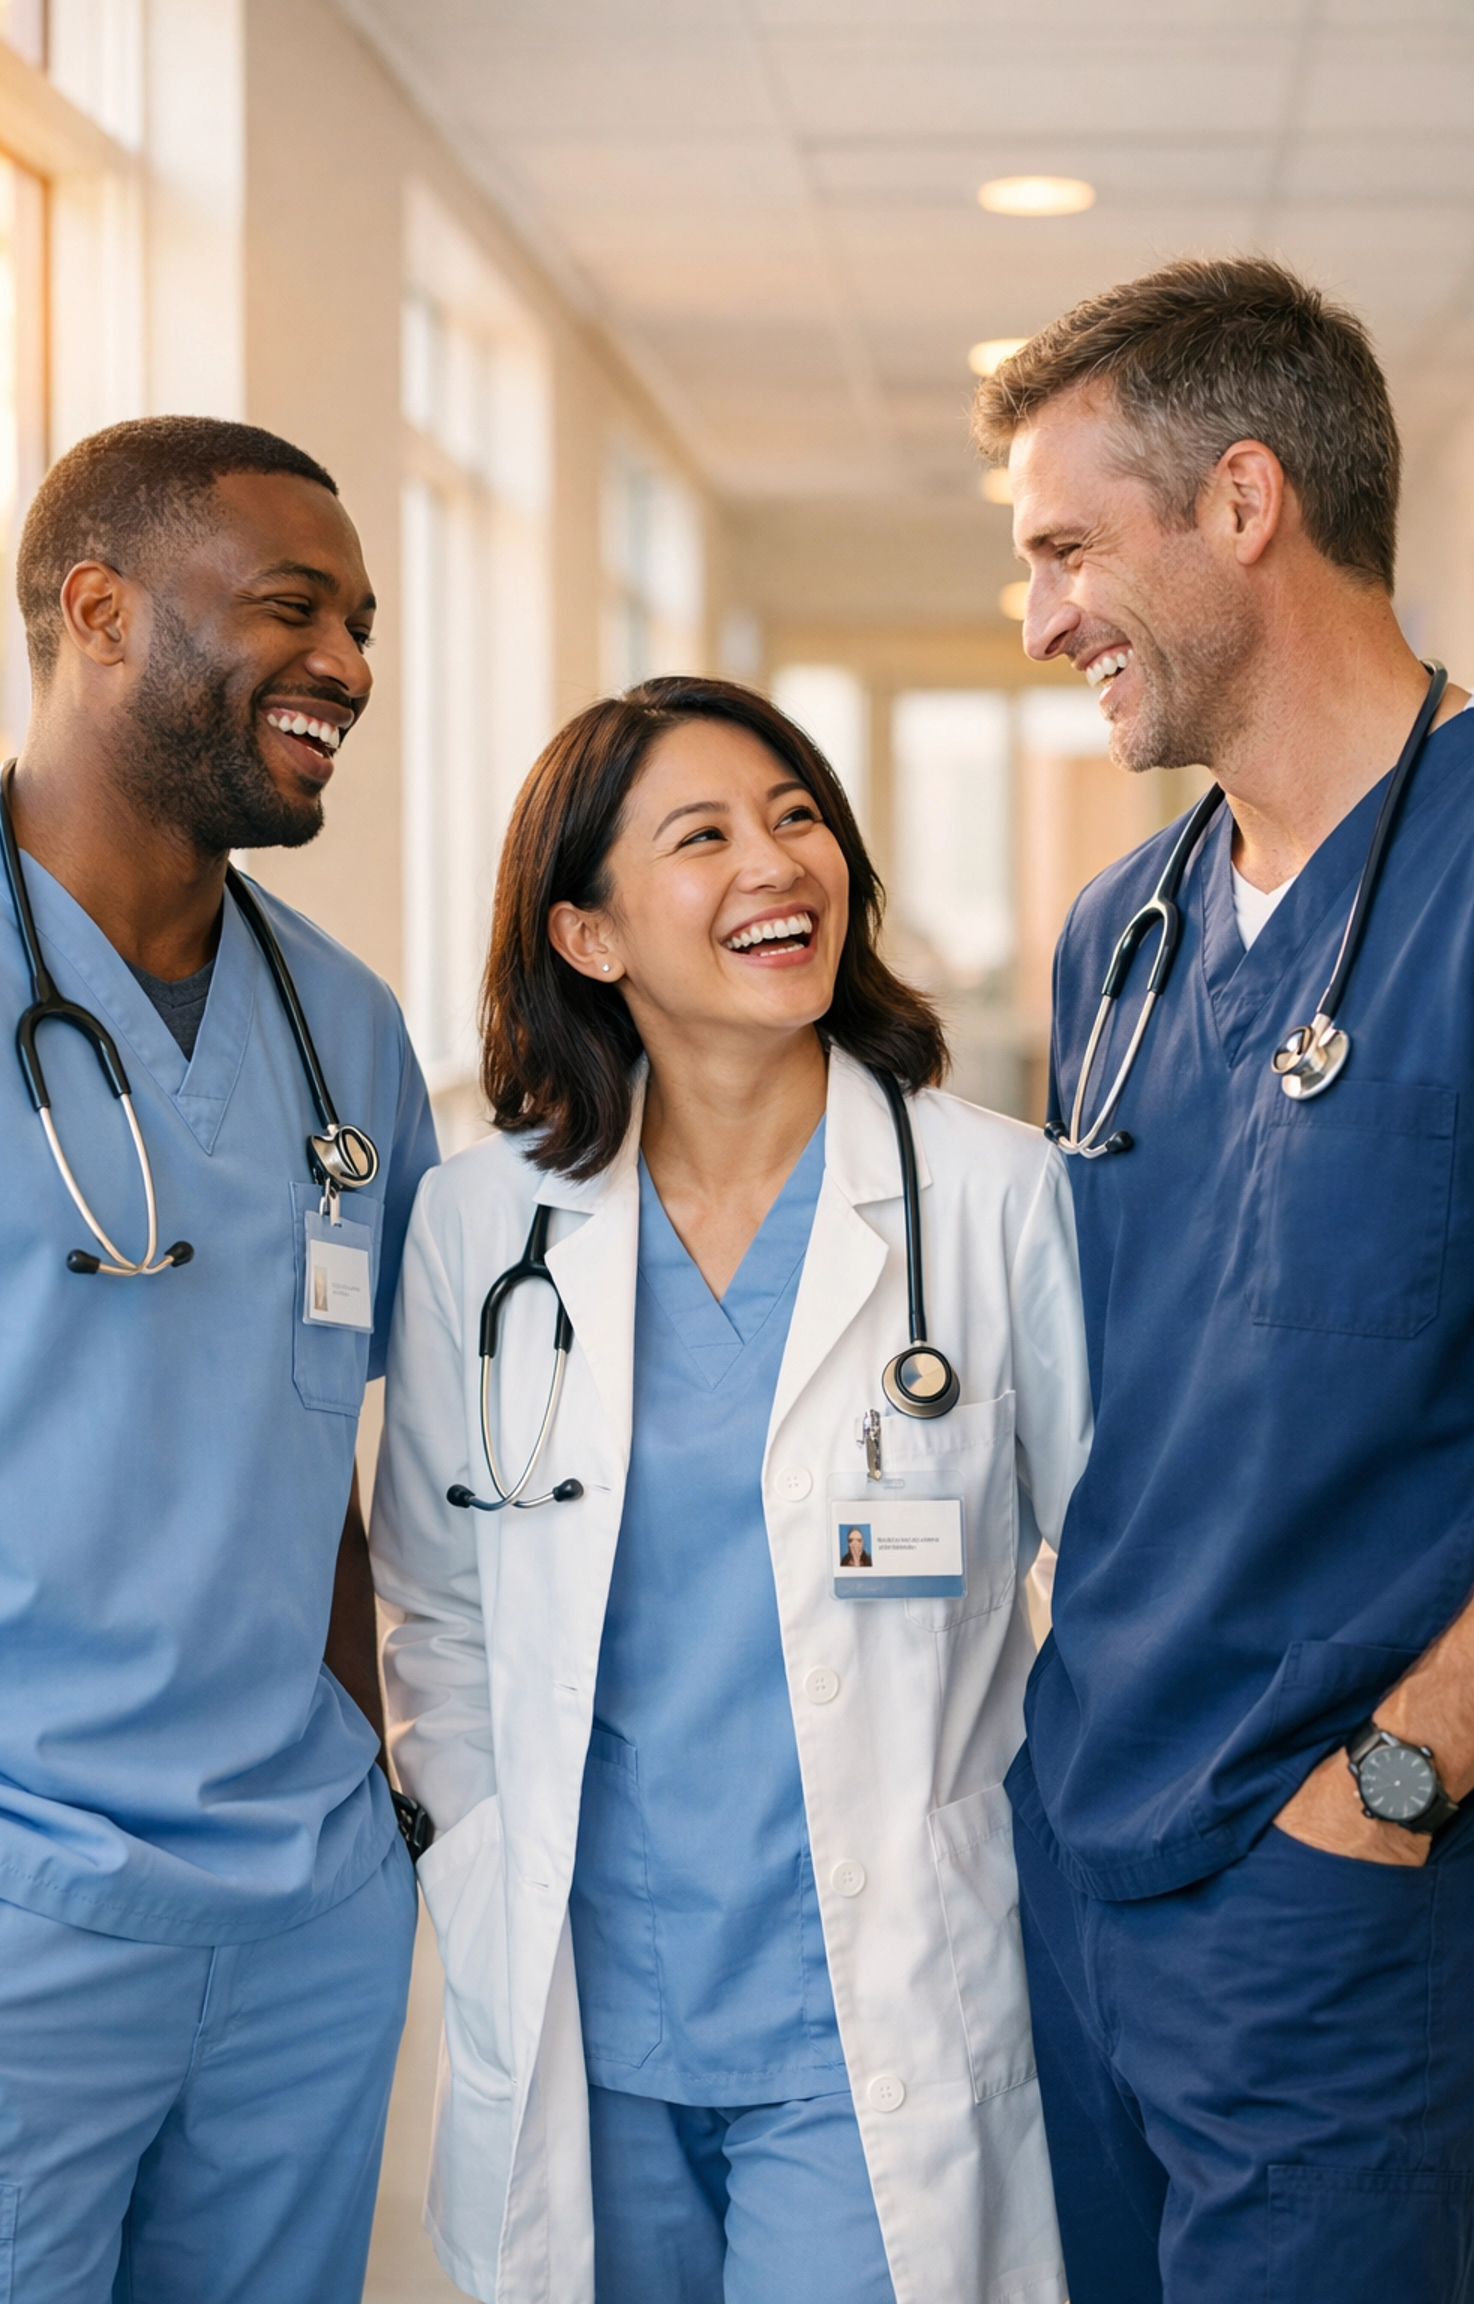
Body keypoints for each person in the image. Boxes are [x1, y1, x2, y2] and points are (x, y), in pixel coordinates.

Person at [370, 675, 1092, 2304]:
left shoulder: (989, 1197)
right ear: (588, 936)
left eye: (796, 818)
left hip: (879, 2001)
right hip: (589, 2001)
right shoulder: (484, 1231)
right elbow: (436, 1605)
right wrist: (482, 1854)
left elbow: (1108, 1568)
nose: (780, 862)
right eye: (703, 836)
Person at [972, 256, 1474, 2304]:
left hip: (1348, 1880)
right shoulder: (1127, 934)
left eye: (1070, 548)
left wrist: (1403, 1770)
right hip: (1088, 1855)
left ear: (1245, 502)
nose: (1040, 619)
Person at [0, 417, 440, 2303]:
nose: (350, 668)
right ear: (98, 612)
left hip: (301, 1911)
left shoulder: (344, 1033)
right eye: (293, 611)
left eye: (364, 626)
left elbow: (332, 1471)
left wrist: (381, 1804)